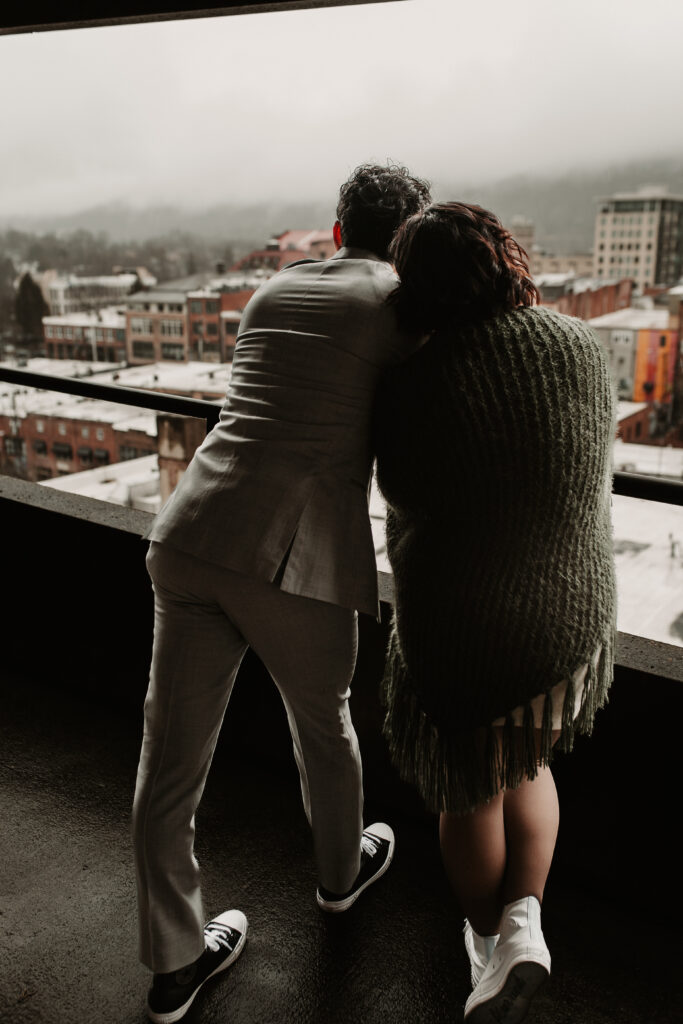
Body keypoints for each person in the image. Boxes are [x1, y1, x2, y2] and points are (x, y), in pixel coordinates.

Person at [132, 163, 431, 1024]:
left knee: (168, 762)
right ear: (403, 240)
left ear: (336, 232)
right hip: (293, 557)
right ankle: (340, 879)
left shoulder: (274, 290)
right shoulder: (400, 308)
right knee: (323, 725)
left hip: (190, 530)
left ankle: (175, 964)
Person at [373, 202, 617, 1024]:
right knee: (528, 764)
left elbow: (405, 494)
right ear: (504, 256)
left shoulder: (414, 382)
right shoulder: (580, 344)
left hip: (471, 628)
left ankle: (487, 946)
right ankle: (526, 924)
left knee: (468, 790)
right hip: (572, 617)